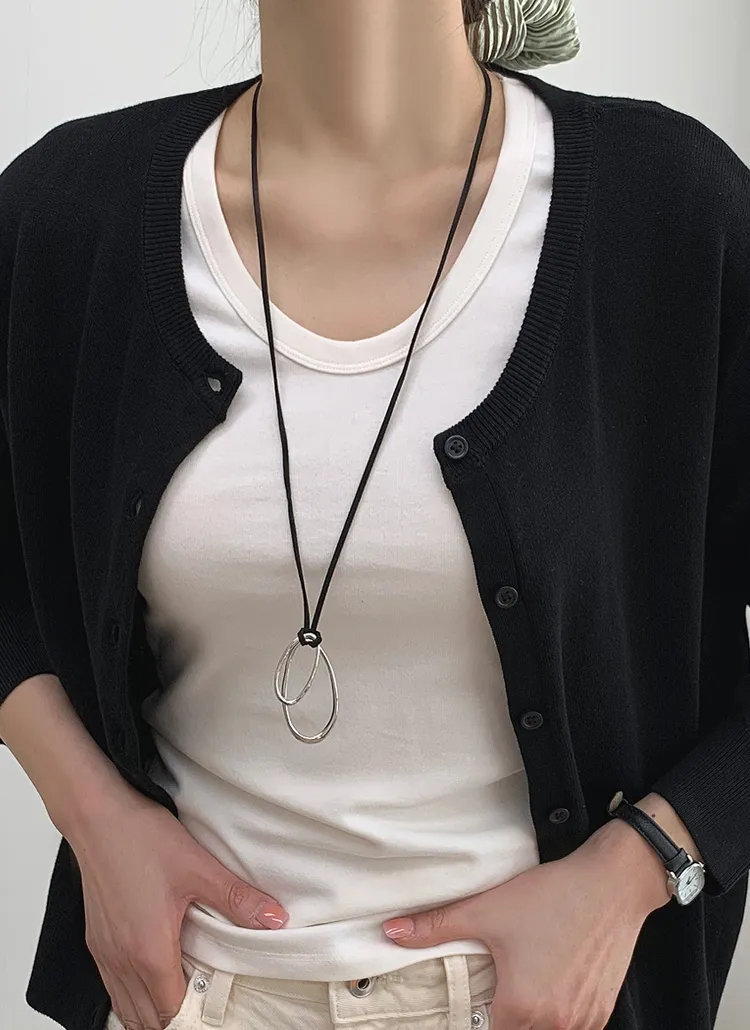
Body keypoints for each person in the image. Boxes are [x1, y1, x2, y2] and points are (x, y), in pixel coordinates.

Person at [1, 1, 749, 1028]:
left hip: (535, 1006)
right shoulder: (68, 213)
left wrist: (642, 864)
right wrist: (93, 818)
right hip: (189, 996)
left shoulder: (670, 213)